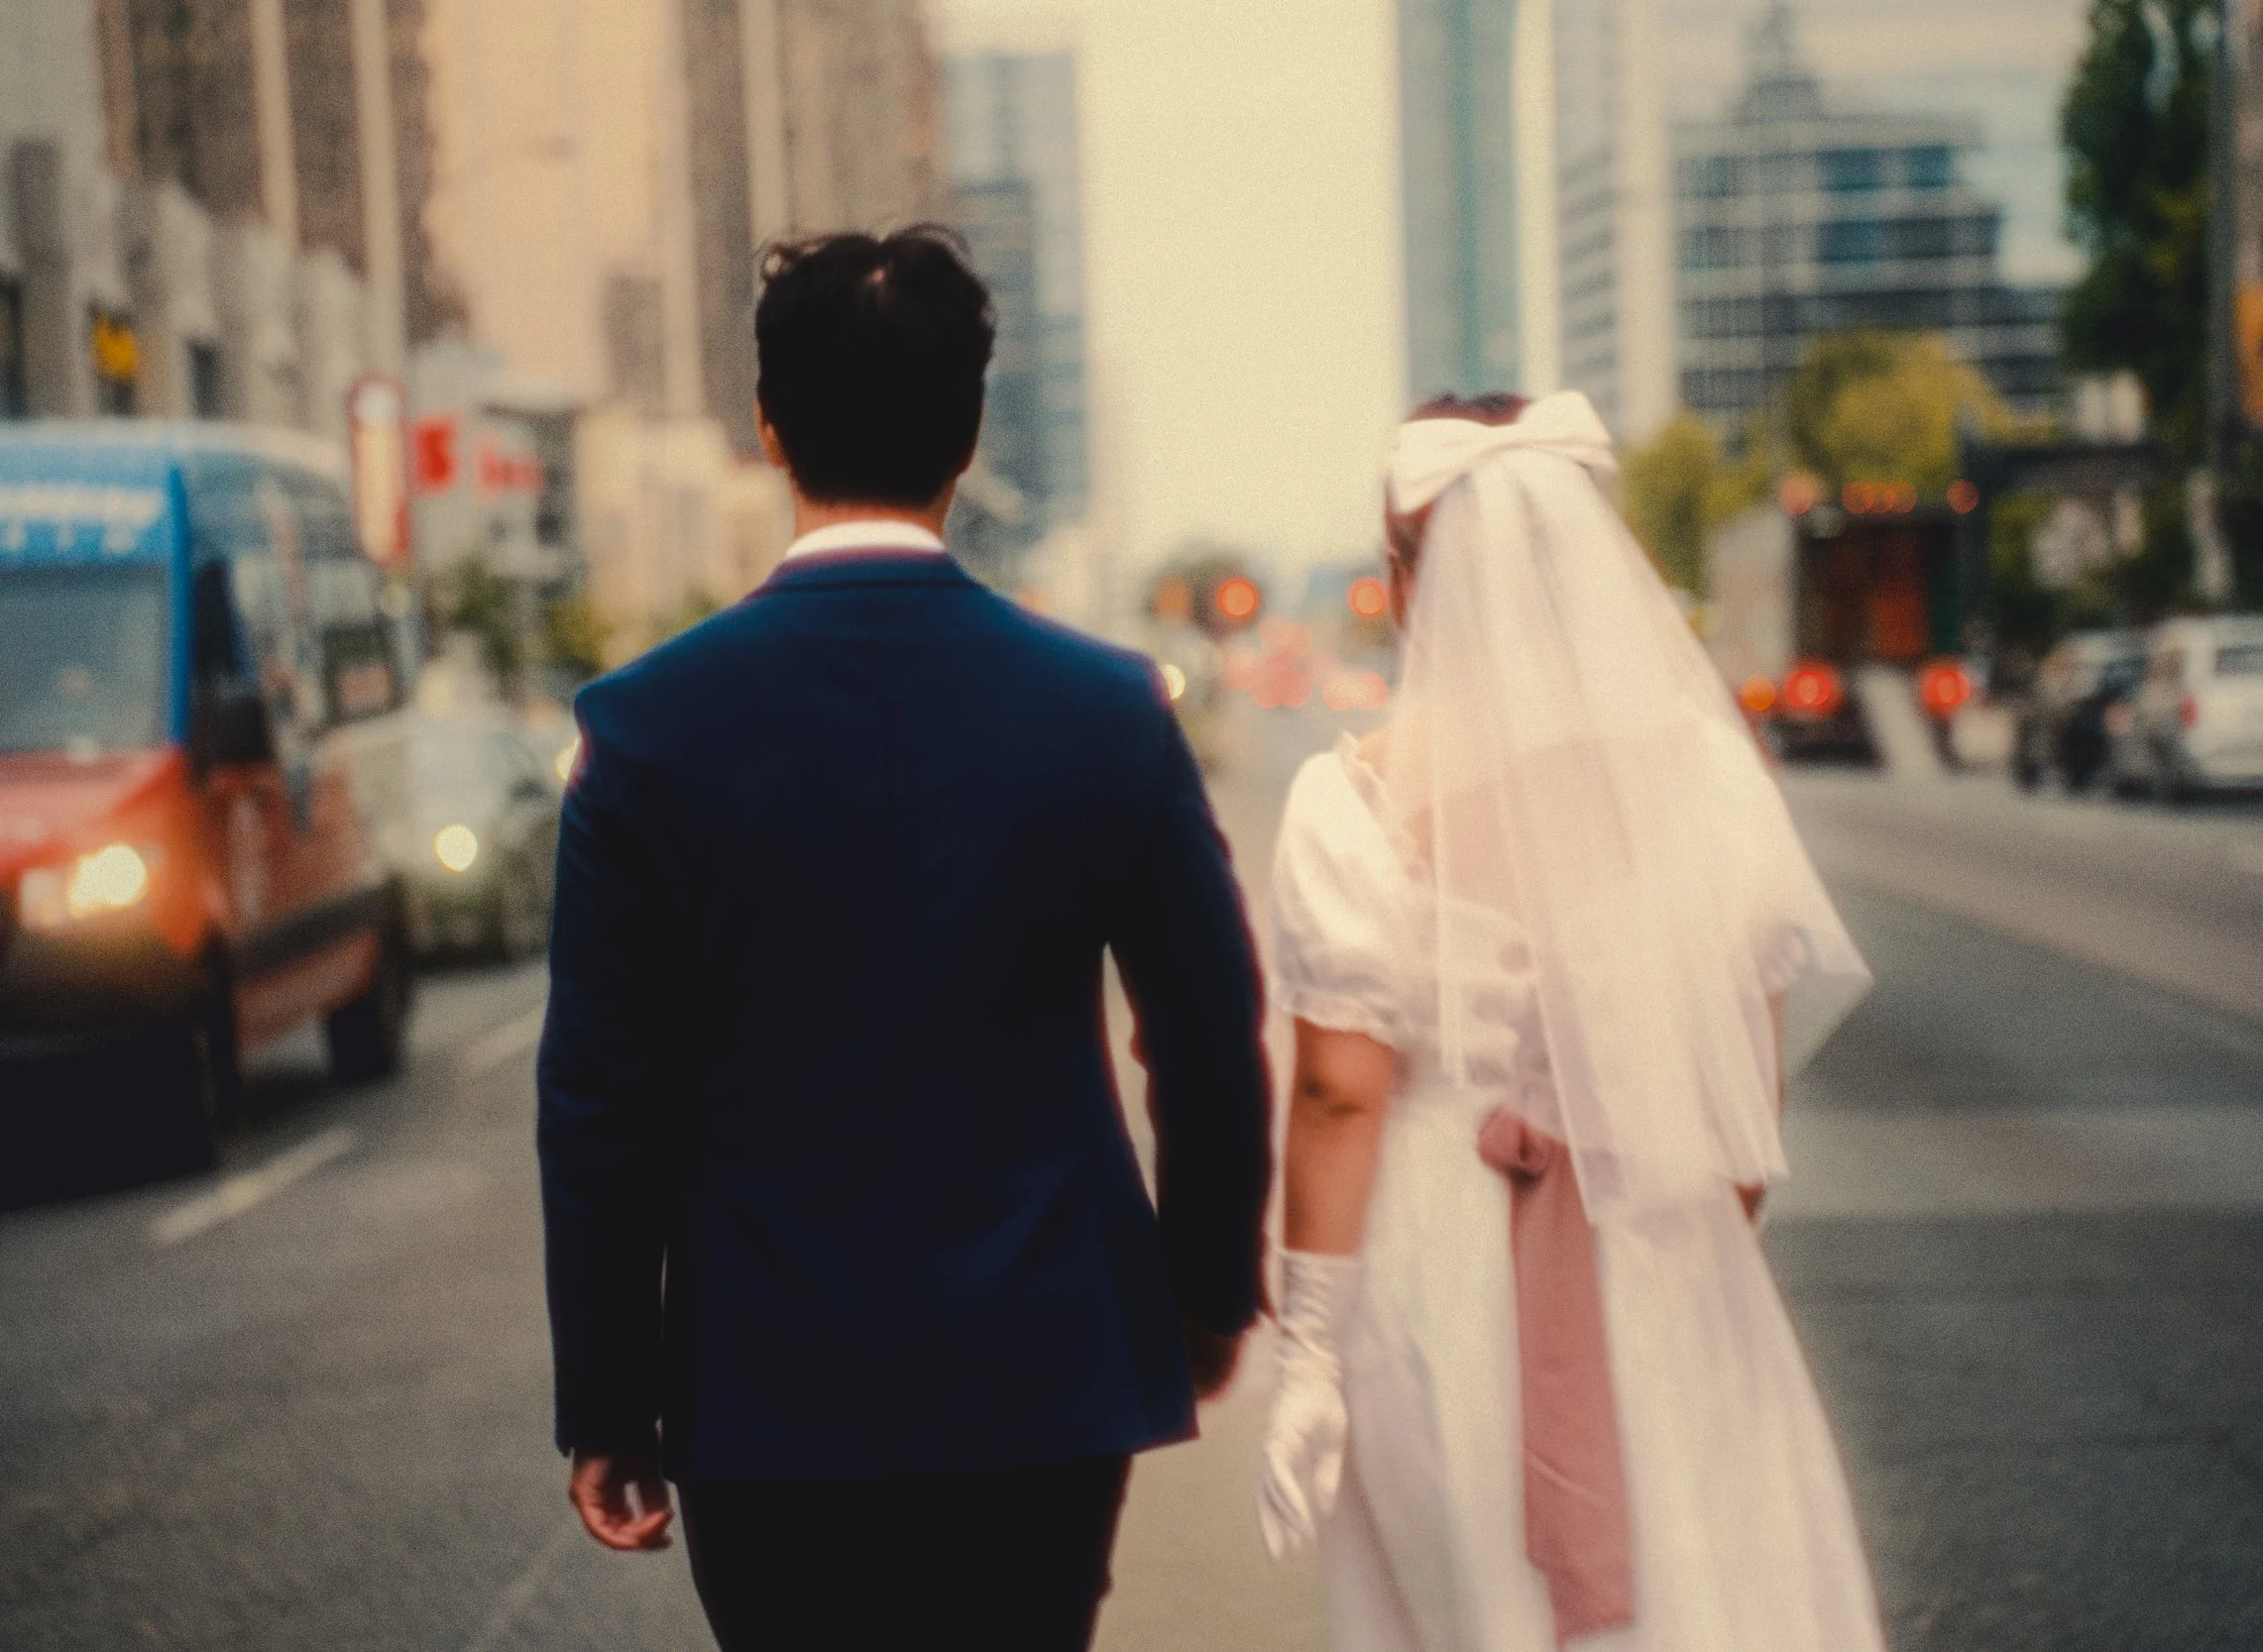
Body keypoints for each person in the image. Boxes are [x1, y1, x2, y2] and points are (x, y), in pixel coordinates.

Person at [537, 226, 1274, 1652]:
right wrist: (1203, 1292)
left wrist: (609, 1399)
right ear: (970, 426)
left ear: (769, 428)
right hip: (1047, 1371)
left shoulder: (644, 731)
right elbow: (1204, 1023)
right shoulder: (1103, 709)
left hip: (765, 1389)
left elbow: (599, 1103)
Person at [1255, 390, 1885, 1651]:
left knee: (1463, 1601)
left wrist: (1311, 1351)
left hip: (1436, 1267)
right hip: (1660, 1239)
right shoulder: (1704, 777)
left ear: (1400, 572)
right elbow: (1742, 1096)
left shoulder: (1348, 802)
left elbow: (1338, 1094)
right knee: (1699, 1587)